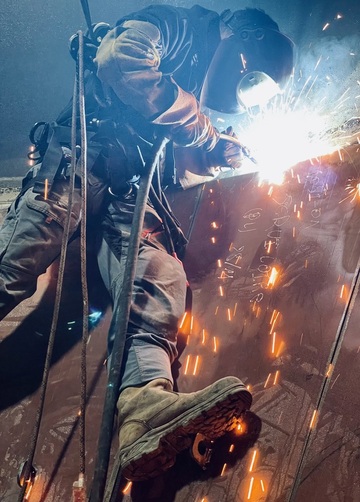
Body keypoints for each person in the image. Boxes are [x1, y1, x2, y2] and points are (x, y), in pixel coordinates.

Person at [0, 4, 294, 481]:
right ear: (237, 42)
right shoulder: (179, 28)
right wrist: (203, 130)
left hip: (132, 191)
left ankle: (142, 408)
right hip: (79, 161)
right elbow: (122, 61)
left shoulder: (198, 79)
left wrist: (215, 150)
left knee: (160, 276)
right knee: (14, 269)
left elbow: (166, 136)